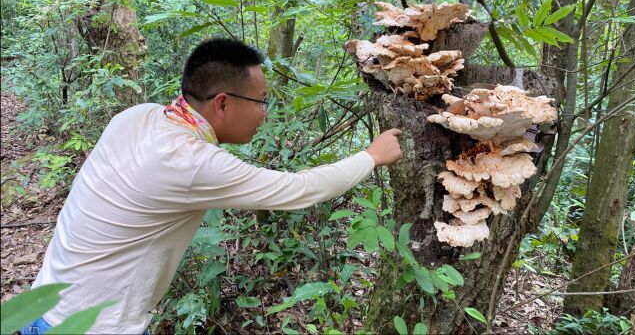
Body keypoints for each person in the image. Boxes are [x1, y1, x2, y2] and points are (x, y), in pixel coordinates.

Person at [21, 38, 402, 334]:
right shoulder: (190, 162)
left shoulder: (135, 117)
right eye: (262, 101)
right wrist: (371, 156)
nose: (265, 114)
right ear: (222, 103)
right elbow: (300, 190)